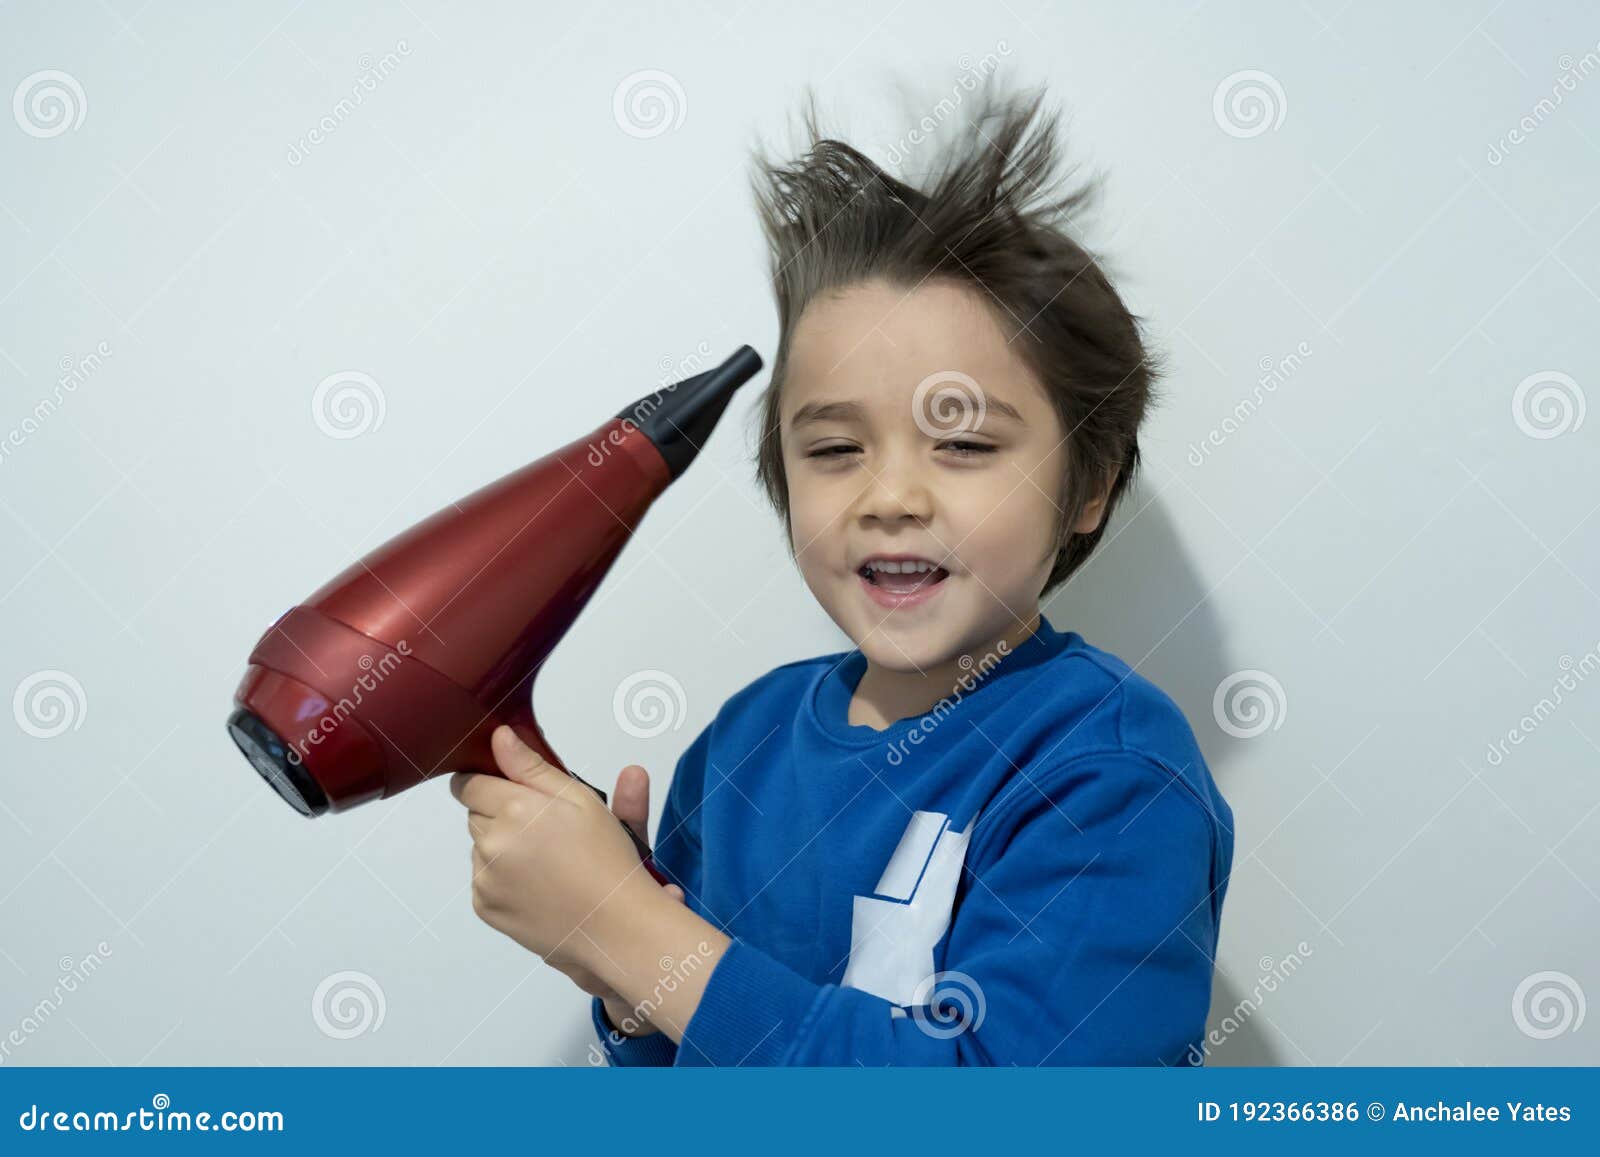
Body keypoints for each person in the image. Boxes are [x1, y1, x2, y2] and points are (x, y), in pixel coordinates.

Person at [450, 81, 1234, 1066]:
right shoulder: (743, 744)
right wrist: (629, 982)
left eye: (963, 444)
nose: (890, 495)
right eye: (833, 450)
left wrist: (637, 933)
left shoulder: (1110, 774)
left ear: (1087, 485)